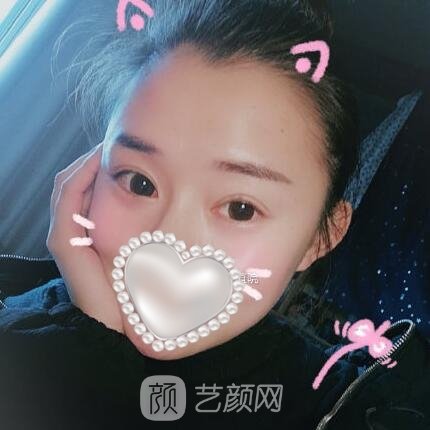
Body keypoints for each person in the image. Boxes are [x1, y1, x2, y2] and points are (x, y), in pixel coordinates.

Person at [0, 1, 429, 429]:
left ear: (322, 237)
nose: (168, 241)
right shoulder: (17, 334)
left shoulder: (342, 407)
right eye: (139, 182)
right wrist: (89, 340)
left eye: (241, 209)